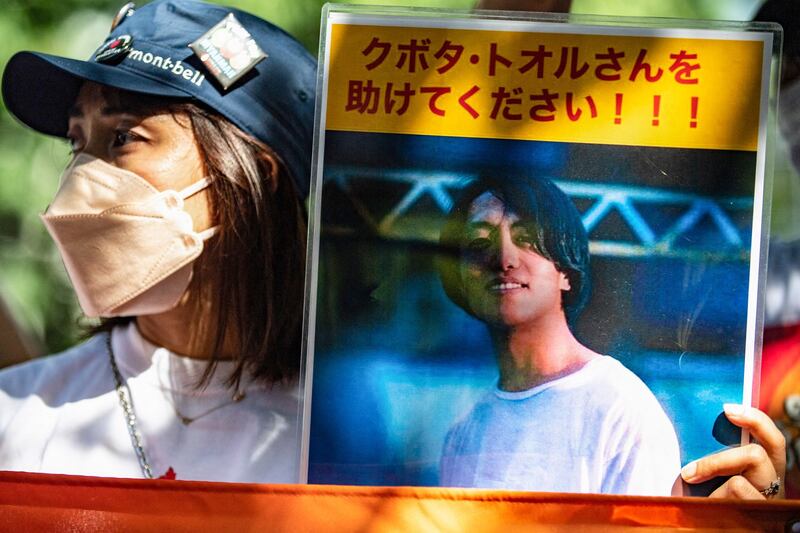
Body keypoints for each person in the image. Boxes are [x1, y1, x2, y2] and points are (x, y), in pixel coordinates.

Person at [0, 0, 314, 482]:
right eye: (76, 141)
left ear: (258, 173)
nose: (80, 175)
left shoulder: (349, 438)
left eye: (124, 137)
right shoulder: (17, 416)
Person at [437, 174, 786, 498]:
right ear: (461, 278)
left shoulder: (619, 407)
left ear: (566, 271)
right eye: (478, 243)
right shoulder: (463, 432)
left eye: (527, 239)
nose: (503, 258)